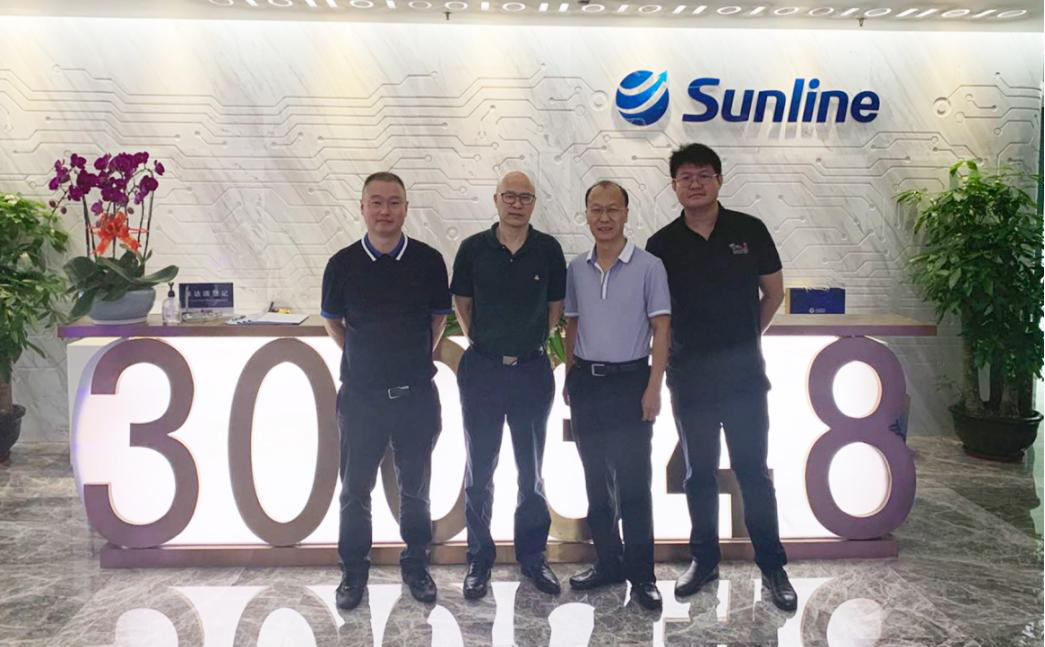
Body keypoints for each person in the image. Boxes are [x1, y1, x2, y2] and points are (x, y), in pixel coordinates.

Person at [645, 143, 797, 611]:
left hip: (744, 378)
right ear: (674, 186)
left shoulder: (749, 230)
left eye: (704, 175)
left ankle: (773, 566)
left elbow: (774, 292)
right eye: (685, 177)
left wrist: (748, 335)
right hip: (689, 378)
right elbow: (658, 316)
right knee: (698, 474)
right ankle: (704, 560)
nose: (695, 183)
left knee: (753, 472)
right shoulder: (661, 245)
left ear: (719, 180)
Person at [321, 171, 452, 611]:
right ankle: (353, 573)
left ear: (406, 208)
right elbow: (333, 321)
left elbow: (438, 319)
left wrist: (410, 358)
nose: (385, 211)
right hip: (361, 398)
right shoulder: (342, 264)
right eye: (376, 202)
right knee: (355, 490)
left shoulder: (429, 260)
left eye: (394, 202)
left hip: (415, 395)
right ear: (362, 208)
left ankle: (416, 564)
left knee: (415, 489)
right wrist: (364, 356)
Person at [450, 171, 567, 600]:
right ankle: (479, 559)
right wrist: (486, 344)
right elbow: (462, 305)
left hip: (532, 371)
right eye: (510, 197)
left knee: (531, 471)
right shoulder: (473, 249)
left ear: (533, 203)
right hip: (482, 370)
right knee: (479, 470)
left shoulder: (548, 250)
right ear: (496, 199)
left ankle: (533, 557)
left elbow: (555, 309)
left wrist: (526, 343)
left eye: (525, 198)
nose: (517, 204)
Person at [562, 180, 670, 611]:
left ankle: (642, 574)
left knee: (633, 483)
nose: (604, 218)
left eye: (612, 210)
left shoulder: (649, 266)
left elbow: (662, 328)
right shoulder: (576, 268)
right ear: (586, 214)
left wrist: (654, 386)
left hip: (631, 382)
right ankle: (608, 561)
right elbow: (571, 323)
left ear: (626, 214)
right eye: (596, 209)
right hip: (587, 382)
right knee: (595, 479)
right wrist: (569, 375)